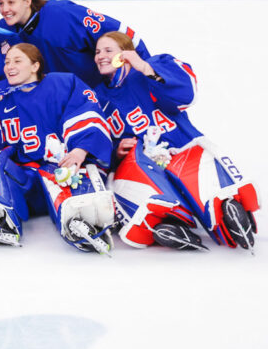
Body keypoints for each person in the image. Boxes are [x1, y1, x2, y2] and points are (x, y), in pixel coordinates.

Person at [93, 31, 259, 251]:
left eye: (108, 50)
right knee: (140, 192)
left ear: (124, 53)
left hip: (180, 147)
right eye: (97, 52)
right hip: (140, 162)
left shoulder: (152, 67)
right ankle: (168, 223)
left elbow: (186, 95)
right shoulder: (96, 97)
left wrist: (145, 68)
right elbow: (97, 138)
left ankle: (226, 209)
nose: (100, 56)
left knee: (202, 177)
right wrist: (116, 150)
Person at [0, 44, 116, 253]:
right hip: (24, 178)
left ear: (35, 66)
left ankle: (83, 219)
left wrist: (80, 149)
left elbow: (85, 112)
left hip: (58, 168)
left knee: (67, 173)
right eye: (7, 62)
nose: (9, 67)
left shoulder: (62, 83)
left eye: (17, 61)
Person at [0, 0, 149, 88]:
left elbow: (119, 33)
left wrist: (145, 68)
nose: (5, 9)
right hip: (59, 103)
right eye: (1, 3)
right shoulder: (4, 31)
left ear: (28, 1)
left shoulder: (62, 13)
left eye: (11, 2)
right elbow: (3, 69)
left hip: (100, 91)